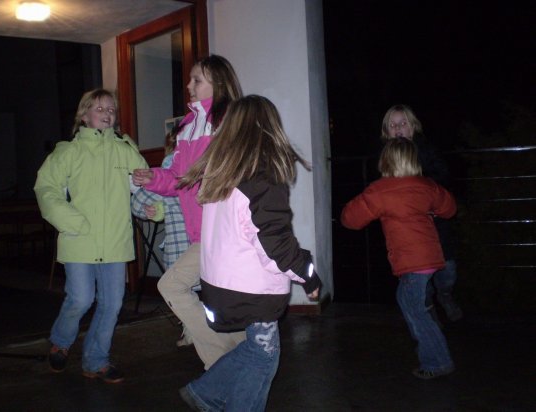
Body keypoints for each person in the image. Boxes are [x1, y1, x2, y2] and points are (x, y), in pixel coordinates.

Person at [177, 95, 321, 411]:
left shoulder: (222, 175)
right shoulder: (262, 178)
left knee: (259, 351)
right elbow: (275, 244)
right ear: (269, 130)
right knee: (263, 355)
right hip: (252, 290)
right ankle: (205, 391)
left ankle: (205, 392)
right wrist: (308, 275)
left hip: (220, 287)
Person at [132, 54, 245, 369]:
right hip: (202, 233)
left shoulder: (232, 122)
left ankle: (220, 364)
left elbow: (236, 175)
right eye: (190, 79)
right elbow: (180, 180)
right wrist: (153, 178)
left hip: (225, 230)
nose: (188, 85)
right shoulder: (187, 126)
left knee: (176, 286)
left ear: (217, 83)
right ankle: (236, 359)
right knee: (219, 302)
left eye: (197, 80)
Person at [34, 88, 149, 383]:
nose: (107, 114)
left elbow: (144, 189)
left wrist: (153, 207)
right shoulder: (68, 152)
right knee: (81, 298)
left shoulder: (126, 150)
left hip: (115, 241)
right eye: (99, 109)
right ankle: (61, 341)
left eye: (111, 109)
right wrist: (71, 222)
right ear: (84, 116)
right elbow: (46, 189)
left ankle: (96, 360)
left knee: (111, 303)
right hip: (79, 238)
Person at [341, 137, 456, 379]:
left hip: (413, 262)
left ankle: (437, 361)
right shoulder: (427, 186)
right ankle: (431, 344)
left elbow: (351, 219)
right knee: (408, 300)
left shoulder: (380, 190)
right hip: (430, 257)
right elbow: (449, 208)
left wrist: (346, 212)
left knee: (416, 310)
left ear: (385, 162)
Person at [381, 104, 463, 323]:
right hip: (408, 231)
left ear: (412, 126)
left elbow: (443, 176)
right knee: (418, 278)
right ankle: (429, 313)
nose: (398, 128)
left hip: (436, 223)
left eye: (403, 123)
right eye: (392, 125)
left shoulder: (426, 150)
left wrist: (423, 193)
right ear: (387, 131)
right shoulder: (386, 157)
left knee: (448, 270)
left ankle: (445, 295)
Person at [131, 131, 192, 345]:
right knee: (183, 289)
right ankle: (193, 328)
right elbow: (140, 202)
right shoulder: (168, 171)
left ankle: (199, 329)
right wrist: (153, 210)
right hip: (182, 242)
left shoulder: (192, 170)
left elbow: (140, 202)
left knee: (185, 289)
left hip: (189, 243)